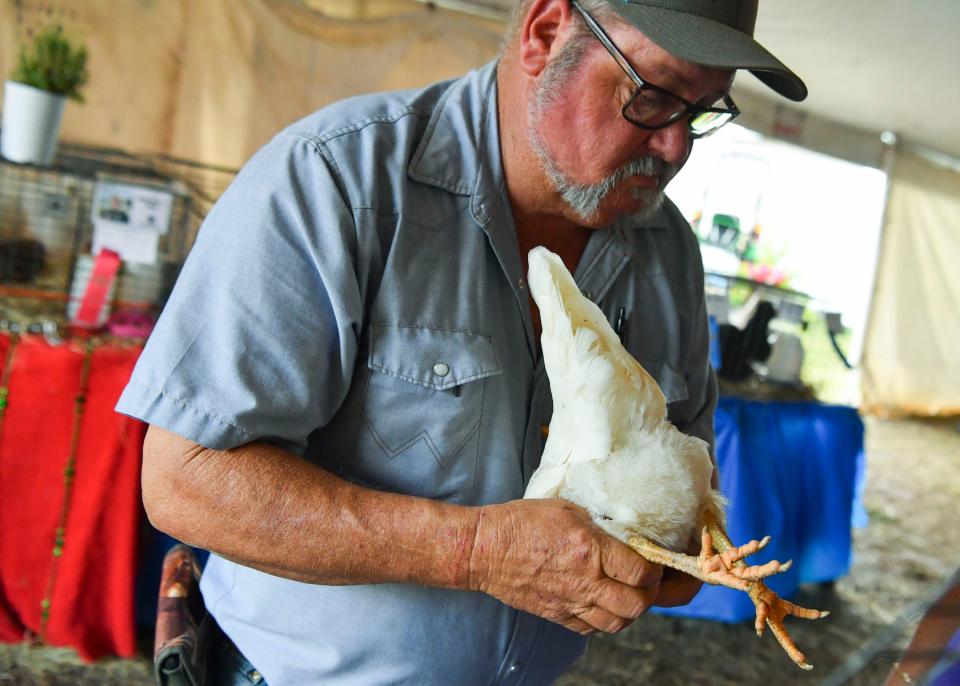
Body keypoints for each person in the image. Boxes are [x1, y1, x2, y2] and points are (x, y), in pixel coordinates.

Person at [117, 0, 806, 683]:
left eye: (704, 111)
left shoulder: (670, 253)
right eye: (654, 96)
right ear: (545, 33)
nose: (677, 145)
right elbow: (185, 480)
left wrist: (678, 554)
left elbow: (687, 494)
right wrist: (476, 551)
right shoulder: (337, 179)